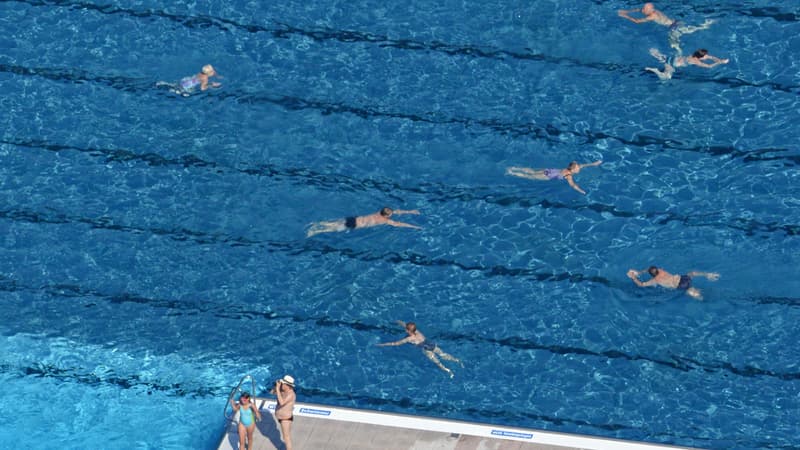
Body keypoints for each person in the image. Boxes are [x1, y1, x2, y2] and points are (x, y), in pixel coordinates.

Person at [377, 321, 463, 378]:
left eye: (406, 329)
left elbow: (395, 343)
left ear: (407, 331)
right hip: (432, 344)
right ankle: (457, 361)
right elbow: (406, 325)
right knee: (443, 354)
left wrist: (383, 344)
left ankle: (449, 371)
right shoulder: (417, 331)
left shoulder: (409, 338)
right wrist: (399, 322)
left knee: (437, 362)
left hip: (427, 349)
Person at [618, 3, 715, 53]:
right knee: (689, 30)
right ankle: (705, 24)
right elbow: (639, 9)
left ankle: (679, 54)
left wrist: (625, 16)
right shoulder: (653, 10)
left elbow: (637, 22)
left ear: (649, 9)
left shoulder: (653, 16)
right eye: (643, 8)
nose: (642, 10)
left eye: (644, 9)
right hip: (677, 22)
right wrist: (626, 11)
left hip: (673, 27)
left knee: (674, 45)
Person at [306, 207, 422, 237]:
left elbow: (396, 211)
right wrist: (414, 226)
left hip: (353, 219)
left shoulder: (378, 213)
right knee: (331, 229)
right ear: (387, 215)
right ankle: (315, 232)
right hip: (354, 225)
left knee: (331, 223)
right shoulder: (385, 221)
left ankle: (314, 224)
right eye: (391, 214)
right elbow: (400, 224)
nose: (393, 214)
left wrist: (410, 211)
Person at [506, 160, 602, 195]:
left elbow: (583, 165)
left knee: (532, 171)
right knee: (529, 176)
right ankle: (511, 173)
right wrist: (581, 191)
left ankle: (514, 168)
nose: (579, 169)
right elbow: (573, 185)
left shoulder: (569, 169)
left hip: (548, 170)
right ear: (573, 170)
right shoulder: (568, 175)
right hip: (547, 176)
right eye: (577, 168)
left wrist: (594, 164)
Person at [627, 266, 720, 300]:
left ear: (652, 275)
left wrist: (634, 277)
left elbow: (641, 285)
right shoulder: (661, 270)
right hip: (683, 278)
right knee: (692, 273)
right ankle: (707, 274)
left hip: (681, 285)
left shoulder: (655, 280)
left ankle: (703, 298)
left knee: (692, 293)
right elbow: (649, 268)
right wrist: (639, 272)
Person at [646, 48, 729, 80]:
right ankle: (656, 71)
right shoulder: (695, 61)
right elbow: (709, 66)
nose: (707, 56)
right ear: (700, 57)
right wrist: (720, 62)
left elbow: (711, 57)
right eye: (705, 55)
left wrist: (720, 59)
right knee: (666, 78)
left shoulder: (694, 54)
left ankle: (655, 52)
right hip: (670, 65)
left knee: (653, 52)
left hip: (670, 58)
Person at [273, 375, 296, 450]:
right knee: (286, 436)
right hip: (280, 416)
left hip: (285, 419)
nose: (281, 385)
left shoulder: (291, 394)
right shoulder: (282, 390)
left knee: (286, 437)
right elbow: (271, 393)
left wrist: (278, 389)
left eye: (283, 384)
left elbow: (282, 402)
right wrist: (275, 387)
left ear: (287, 385)